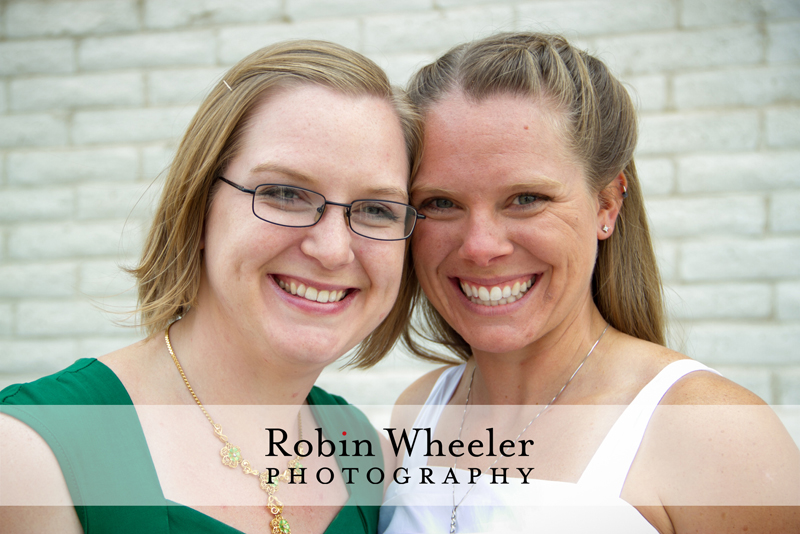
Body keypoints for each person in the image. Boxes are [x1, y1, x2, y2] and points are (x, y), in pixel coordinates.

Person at [379, 32, 799, 533]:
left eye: (527, 197)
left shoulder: (713, 431)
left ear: (607, 204)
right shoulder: (417, 412)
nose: (480, 246)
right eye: (441, 203)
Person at [0, 40, 423, 534]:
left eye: (376, 209)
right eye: (285, 194)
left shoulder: (374, 462)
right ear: (198, 207)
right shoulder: (31, 457)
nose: (332, 250)